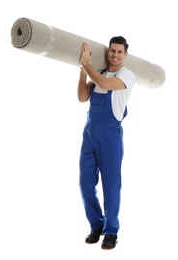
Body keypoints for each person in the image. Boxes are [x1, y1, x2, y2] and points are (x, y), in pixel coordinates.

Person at [77, 36, 136, 250]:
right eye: (112, 51)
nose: (115, 55)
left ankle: (111, 231)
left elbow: (104, 84)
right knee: (85, 184)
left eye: (120, 52)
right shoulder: (98, 73)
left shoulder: (126, 75)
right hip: (90, 134)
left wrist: (85, 62)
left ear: (125, 54)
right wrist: (82, 72)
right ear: (108, 51)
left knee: (111, 187)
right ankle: (96, 226)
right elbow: (83, 97)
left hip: (110, 136)